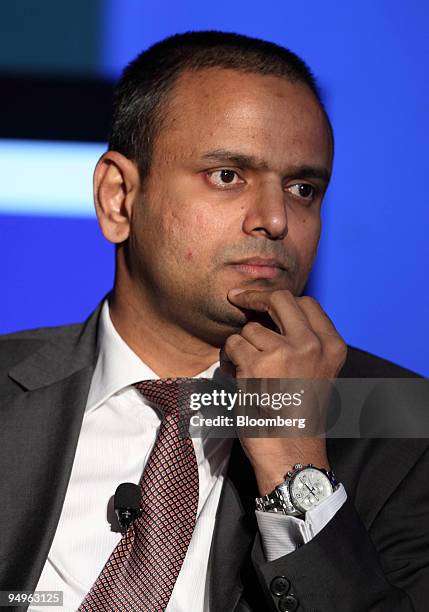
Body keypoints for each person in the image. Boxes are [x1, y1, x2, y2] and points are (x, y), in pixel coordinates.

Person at [0, 31, 428, 612]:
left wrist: (294, 462)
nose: (276, 219)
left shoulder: (405, 427)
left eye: (304, 189)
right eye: (228, 175)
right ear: (118, 199)